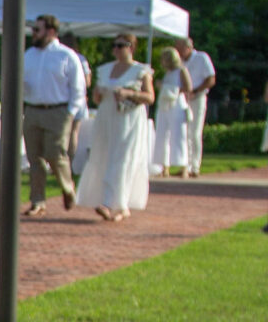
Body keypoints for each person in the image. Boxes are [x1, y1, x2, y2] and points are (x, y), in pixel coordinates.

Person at [74, 32, 155, 222]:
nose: (117, 49)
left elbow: (150, 97)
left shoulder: (141, 71)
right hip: (106, 117)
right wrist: (98, 93)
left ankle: (112, 203)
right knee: (103, 155)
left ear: (131, 48)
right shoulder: (105, 69)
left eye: (121, 45)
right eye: (115, 46)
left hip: (128, 119)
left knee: (123, 159)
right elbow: (96, 98)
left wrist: (128, 93)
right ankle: (114, 203)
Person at [18, 15, 89, 214]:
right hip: (32, 110)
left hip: (58, 111)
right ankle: (38, 201)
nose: (33, 34)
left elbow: (78, 87)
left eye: (37, 30)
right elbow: (21, 81)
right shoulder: (29, 55)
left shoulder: (67, 55)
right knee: (34, 158)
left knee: (55, 154)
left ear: (50, 31)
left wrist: (70, 113)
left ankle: (67, 188)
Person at [178, 34, 216, 177]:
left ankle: (195, 166)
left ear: (188, 47)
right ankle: (185, 166)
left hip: (198, 98)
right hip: (184, 99)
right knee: (184, 132)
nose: (179, 51)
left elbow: (211, 79)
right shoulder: (180, 61)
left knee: (194, 132)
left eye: (180, 48)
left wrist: (196, 91)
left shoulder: (201, 57)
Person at [150, 48, 189, 175]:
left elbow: (188, 87)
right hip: (165, 105)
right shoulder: (167, 72)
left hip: (177, 104)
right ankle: (164, 166)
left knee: (179, 135)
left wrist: (171, 90)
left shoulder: (181, 70)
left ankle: (183, 167)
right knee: (162, 134)